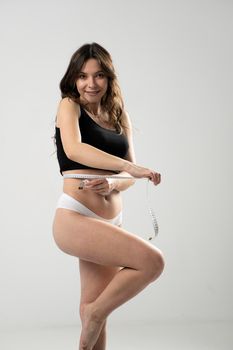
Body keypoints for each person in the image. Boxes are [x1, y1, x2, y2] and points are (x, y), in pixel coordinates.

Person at [52, 42, 164, 350]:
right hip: (75, 216)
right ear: (74, 79)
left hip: (111, 219)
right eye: (83, 76)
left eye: (99, 75)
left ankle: (94, 314)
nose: (91, 83)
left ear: (109, 78)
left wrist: (114, 184)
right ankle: (95, 312)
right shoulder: (69, 106)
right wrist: (127, 166)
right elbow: (75, 149)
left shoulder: (119, 115)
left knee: (94, 327)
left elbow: (127, 178)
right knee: (152, 263)